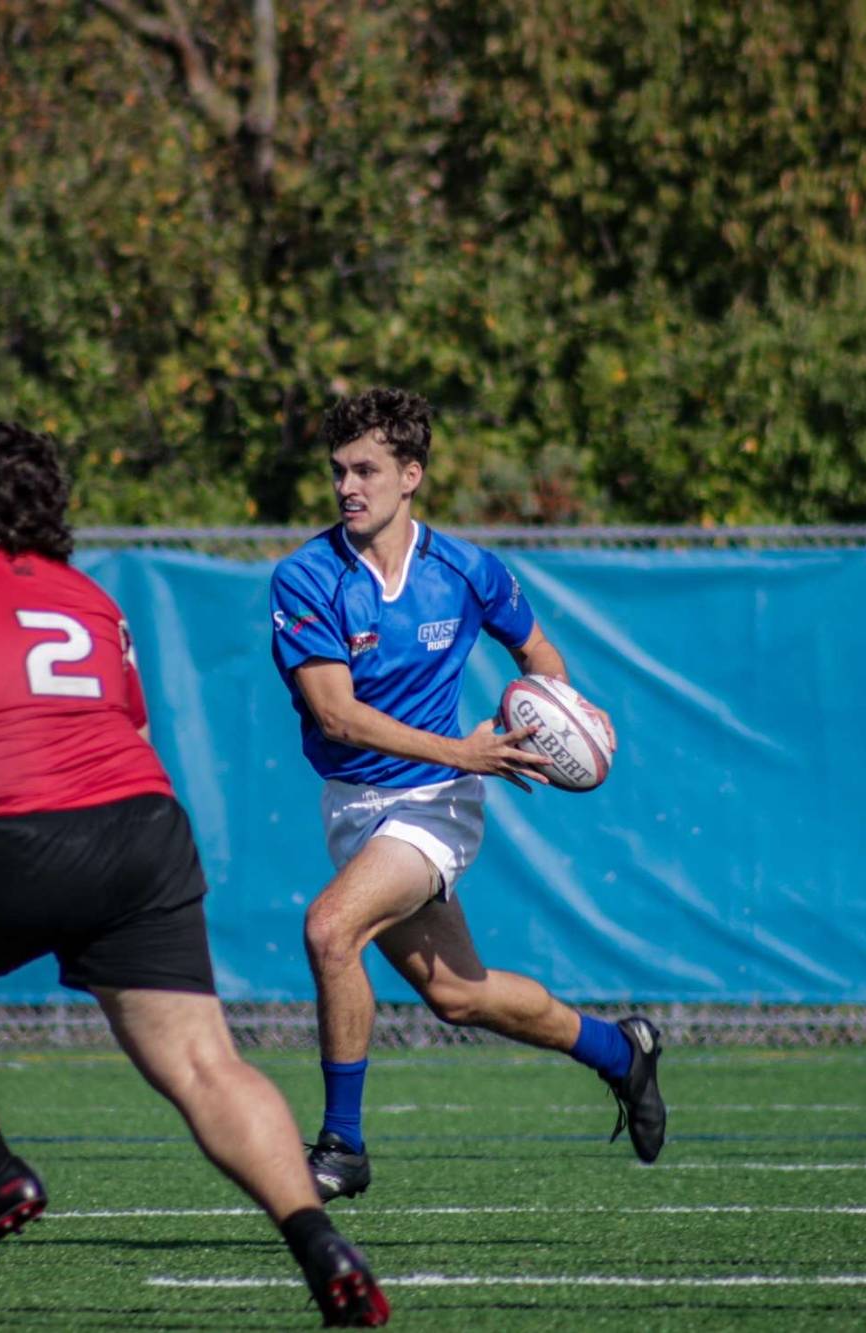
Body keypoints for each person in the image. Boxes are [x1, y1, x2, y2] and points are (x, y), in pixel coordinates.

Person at [0, 419, 389, 1326]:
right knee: (207, 1065)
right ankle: (317, 1240)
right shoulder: (92, 600)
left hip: (13, 834)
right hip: (144, 831)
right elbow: (130, 733)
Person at [267, 387, 667, 1202]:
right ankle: (622, 1051)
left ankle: (342, 1145)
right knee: (457, 994)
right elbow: (336, 715)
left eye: (368, 469)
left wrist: (570, 714)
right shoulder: (305, 577)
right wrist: (466, 746)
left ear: (410, 474)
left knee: (329, 929)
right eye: (339, 470)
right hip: (358, 804)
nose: (349, 486)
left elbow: (539, 651)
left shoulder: (466, 569)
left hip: (435, 804)